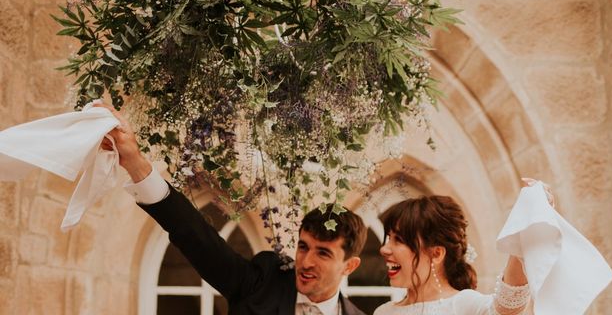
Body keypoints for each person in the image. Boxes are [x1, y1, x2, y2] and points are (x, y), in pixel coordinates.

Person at [96, 102, 367, 315]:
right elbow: (195, 236)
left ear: (349, 265)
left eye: (323, 253)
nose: (305, 262)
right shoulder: (262, 283)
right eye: (304, 246)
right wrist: (134, 161)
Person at [373, 187, 553, 315]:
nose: (384, 249)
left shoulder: (464, 305)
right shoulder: (383, 312)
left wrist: (528, 226)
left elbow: (507, 308)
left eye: (399, 240)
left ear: (436, 254)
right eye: (388, 238)